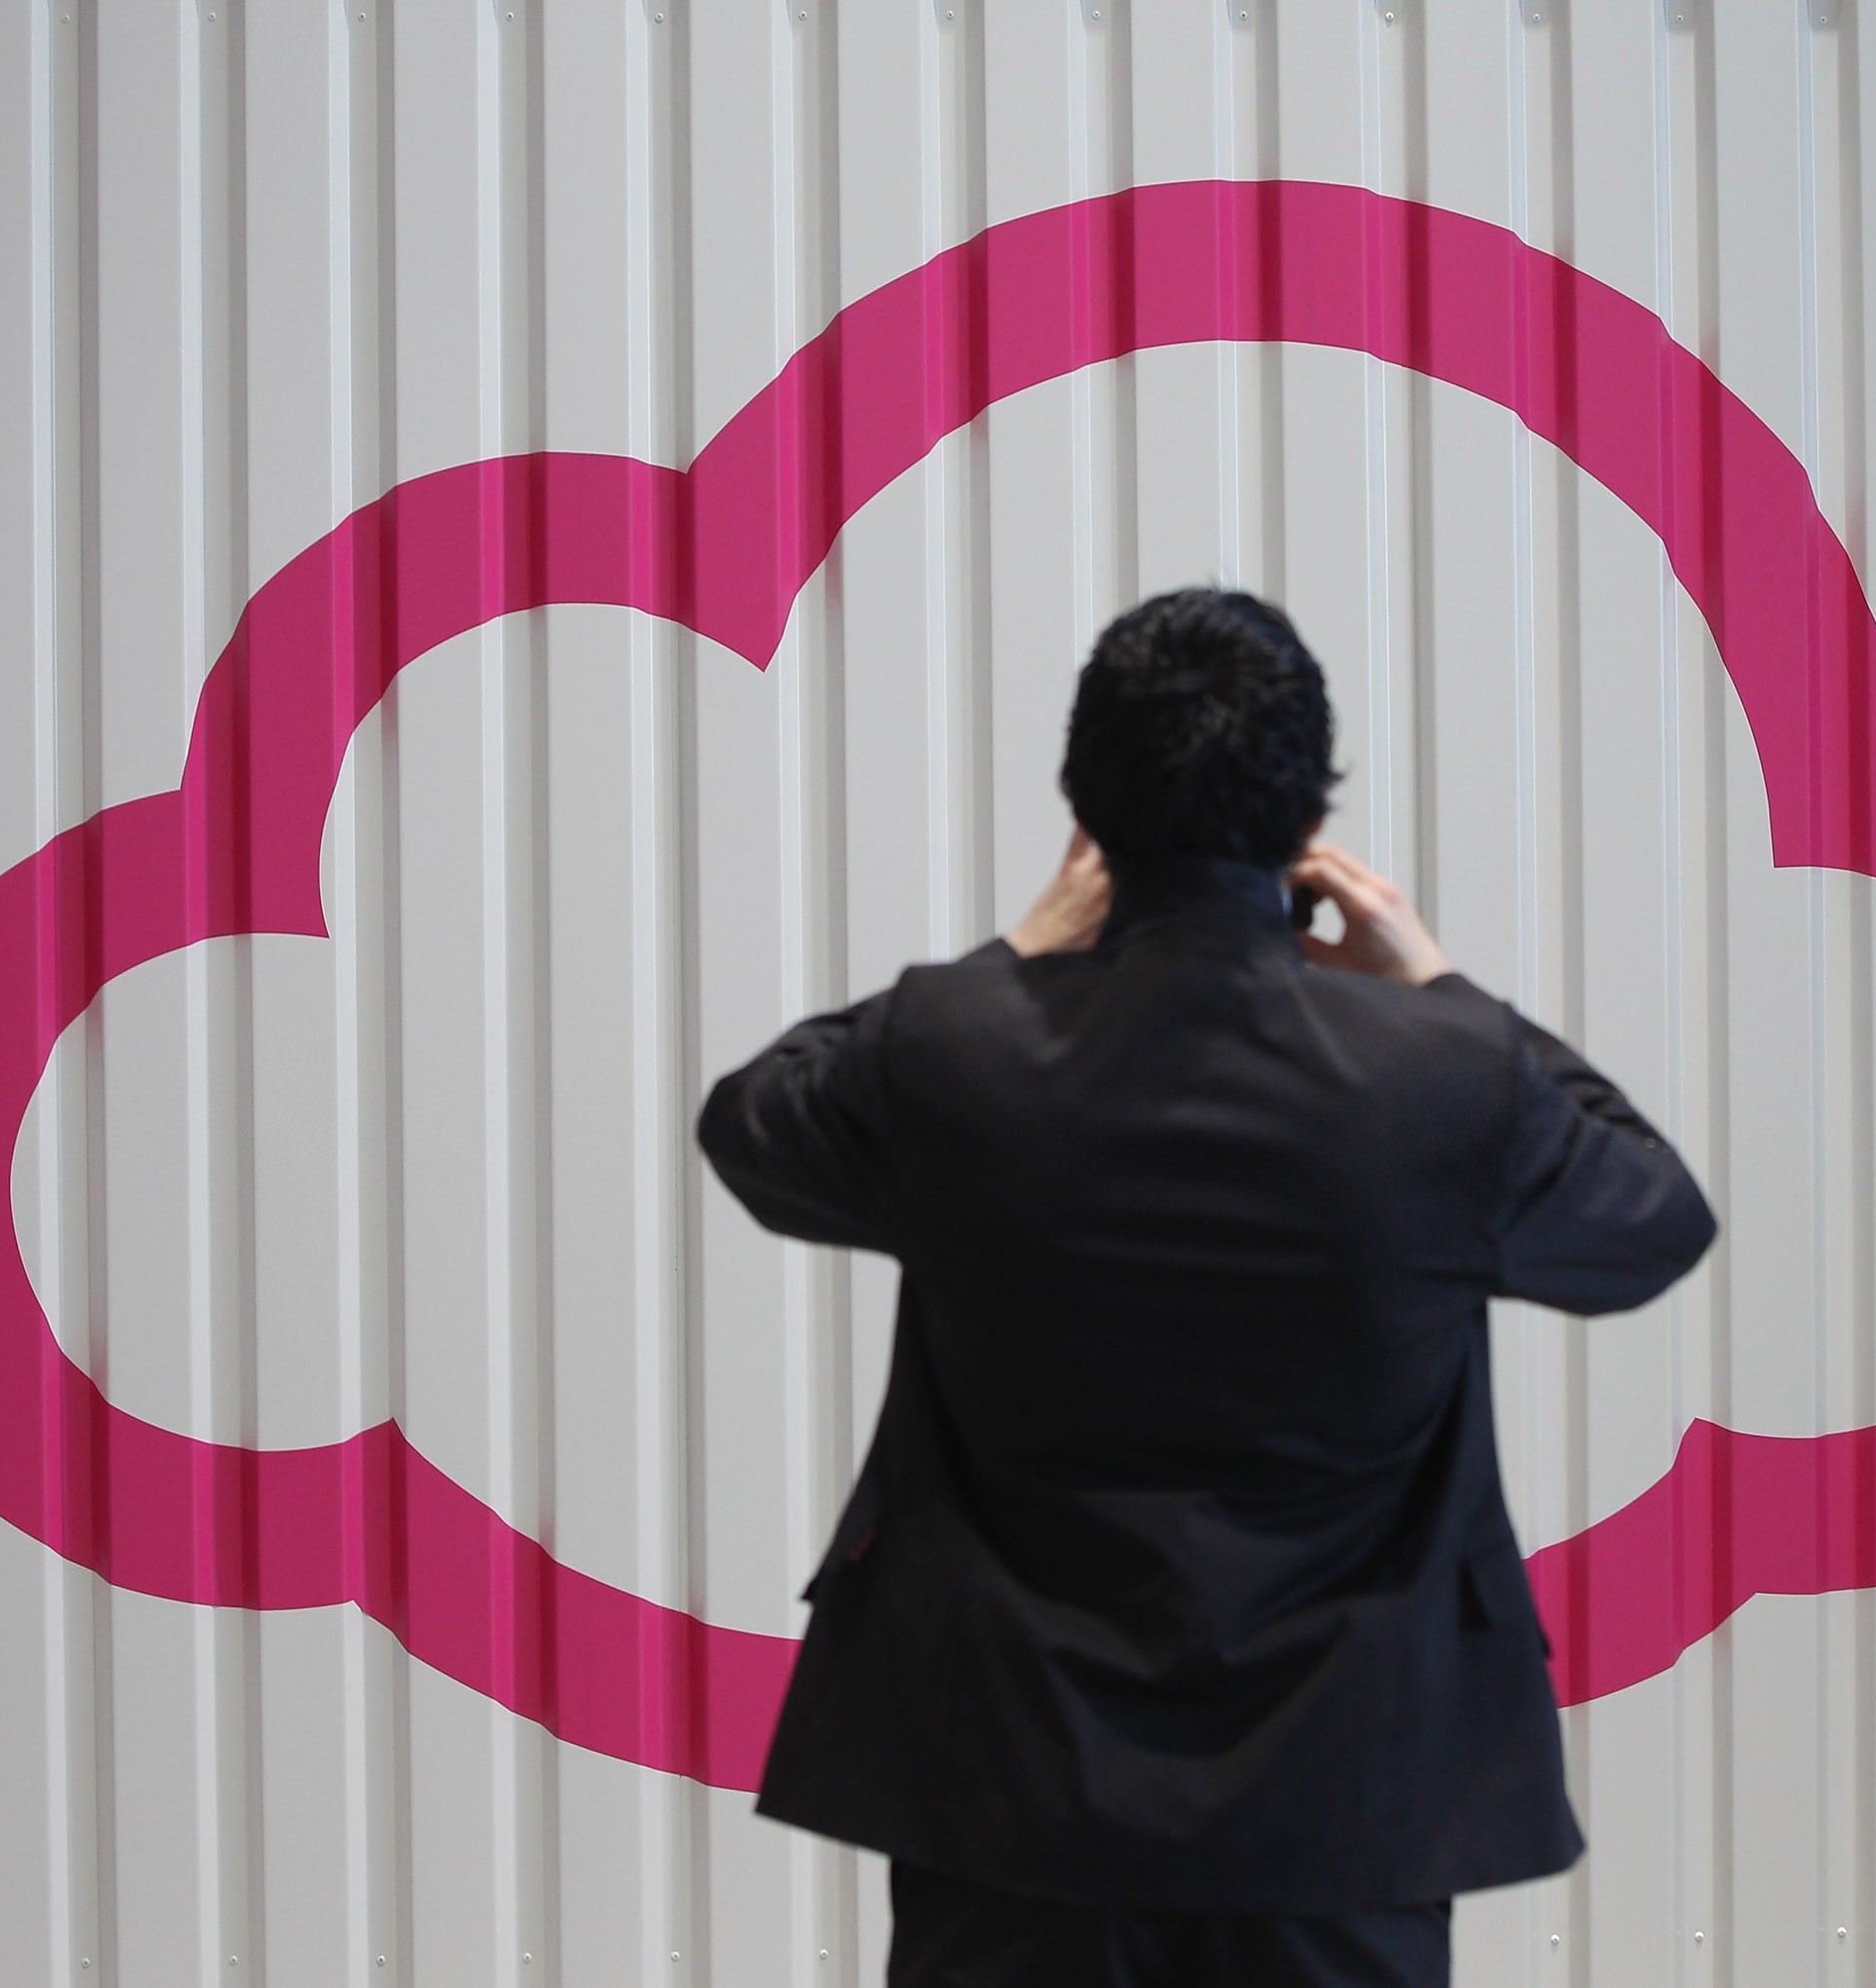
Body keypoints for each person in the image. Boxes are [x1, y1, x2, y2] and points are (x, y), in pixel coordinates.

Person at [697, 587, 1716, 1988]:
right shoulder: (1444, 1078)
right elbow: (1656, 1214)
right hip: (1348, 1807)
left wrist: (1017, 953)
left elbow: (753, 1124)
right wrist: (1440, 984)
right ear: (1309, 823)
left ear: (1084, 803)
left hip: (1011, 1794)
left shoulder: (955, 1049)